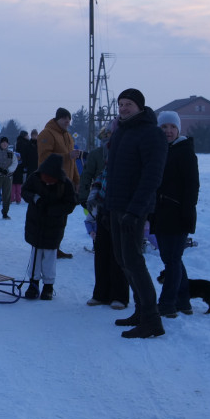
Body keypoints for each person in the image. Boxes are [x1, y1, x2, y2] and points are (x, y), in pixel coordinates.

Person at [106, 88, 168, 339]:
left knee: (134, 261)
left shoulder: (152, 133)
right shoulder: (121, 131)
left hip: (134, 208)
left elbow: (152, 176)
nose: (123, 108)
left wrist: (135, 211)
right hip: (117, 206)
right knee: (122, 260)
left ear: (140, 107)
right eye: (120, 104)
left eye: (128, 104)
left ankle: (152, 320)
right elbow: (113, 172)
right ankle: (141, 311)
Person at [152, 111, 200, 317]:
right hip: (160, 213)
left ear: (178, 130)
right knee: (171, 259)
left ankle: (167, 303)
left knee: (172, 260)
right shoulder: (159, 151)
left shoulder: (185, 152)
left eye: (172, 127)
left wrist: (187, 213)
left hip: (178, 214)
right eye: (164, 127)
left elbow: (192, 186)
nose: (168, 131)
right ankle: (183, 301)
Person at [85, 123, 130, 310]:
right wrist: (94, 191)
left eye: (113, 132)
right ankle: (100, 293)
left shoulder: (130, 149)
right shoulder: (109, 149)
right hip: (104, 206)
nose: (110, 135)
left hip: (122, 206)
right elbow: (103, 174)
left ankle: (120, 296)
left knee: (118, 253)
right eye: (110, 133)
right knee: (101, 251)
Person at [21, 154, 77, 300]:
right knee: (35, 256)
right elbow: (24, 191)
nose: (48, 183)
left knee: (49, 257)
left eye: (51, 181)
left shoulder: (65, 184)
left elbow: (70, 204)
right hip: (35, 223)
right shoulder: (34, 178)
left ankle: (48, 286)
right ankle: (33, 284)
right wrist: (35, 198)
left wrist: (53, 210)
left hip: (54, 226)